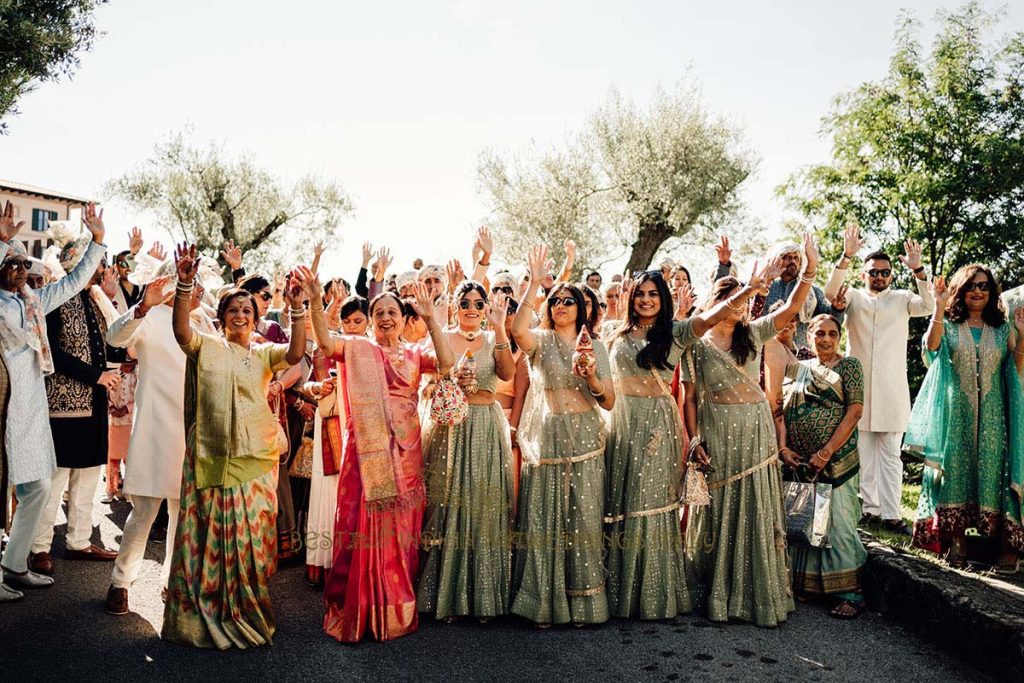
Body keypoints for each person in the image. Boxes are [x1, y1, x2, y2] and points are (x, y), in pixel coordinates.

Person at [161, 244, 307, 650]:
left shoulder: (263, 355)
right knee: (209, 538)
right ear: (221, 317)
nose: (240, 315)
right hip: (211, 458)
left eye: (247, 310)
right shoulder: (207, 346)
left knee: (251, 542)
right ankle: (205, 611)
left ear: (256, 320)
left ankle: (246, 609)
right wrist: (184, 285)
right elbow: (181, 332)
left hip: (255, 461)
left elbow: (296, 353)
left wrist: (298, 309)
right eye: (233, 310)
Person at [603, 269, 765, 620]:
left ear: (664, 300)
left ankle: (654, 596)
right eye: (640, 294)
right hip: (622, 423)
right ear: (631, 297)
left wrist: (747, 292)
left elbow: (710, 318)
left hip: (657, 426)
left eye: (653, 294)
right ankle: (621, 592)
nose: (646, 300)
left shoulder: (675, 333)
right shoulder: (614, 332)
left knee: (649, 503)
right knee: (623, 499)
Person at [303, 272, 455, 643]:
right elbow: (325, 343)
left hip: (406, 452)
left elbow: (448, 362)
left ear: (404, 319)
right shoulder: (359, 348)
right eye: (379, 313)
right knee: (362, 524)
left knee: (400, 530)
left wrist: (432, 319)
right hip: (365, 451)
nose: (386, 318)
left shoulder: (415, 354)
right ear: (371, 320)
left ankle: (394, 603)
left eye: (393, 312)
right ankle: (359, 604)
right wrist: (315, 302)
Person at [681, 232, 818, 628]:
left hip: (755, 427)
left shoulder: (754, 332)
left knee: (754, 504)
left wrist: (810, 268)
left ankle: (755, 592)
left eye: (744, 300)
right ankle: (718, 591)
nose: (741, 306)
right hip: (717, 430)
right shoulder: (696, 343)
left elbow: (792, 308)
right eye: (733, 299)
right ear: (717, 303)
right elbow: (690, 398)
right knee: (718, 505)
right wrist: (694, 439)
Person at [0, 200, 106, 597]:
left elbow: (74, 281)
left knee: (38, 489)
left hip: (30, 406)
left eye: (23, 264)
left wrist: (97, 240)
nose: (19, 270)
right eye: (11, 263)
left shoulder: (32, 301)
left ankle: (15, 564)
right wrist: (2, 241)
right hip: (3, 405)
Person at [510, 245, 615, 628]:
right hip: (549, 436)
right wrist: (535, 284)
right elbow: (516, 330)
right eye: (555, 300)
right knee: (544, 517)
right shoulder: (541, 340)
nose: (561, 306)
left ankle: (584, 604)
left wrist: (592, 378)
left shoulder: (595, 345)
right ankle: (543, 602)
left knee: (583, 516)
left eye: (569, 301)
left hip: (586, 436)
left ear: (582, 308)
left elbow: (609, 401)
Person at [103, 268, 215, 615]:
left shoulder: (202, 322)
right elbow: (114, 338)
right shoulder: (151, 317)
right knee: (144, 512)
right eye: (194, 285)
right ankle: (121, 583)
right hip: (154, 426)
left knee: (183, 514)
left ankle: (172, 581)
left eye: (200, 285)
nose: (200, 291)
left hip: (192, 428)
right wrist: (141, 307)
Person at [906, 266, 1024, 571]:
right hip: (954, 415)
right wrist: (939, 305)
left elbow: (1014, 368)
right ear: (960, 290)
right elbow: (931, 349)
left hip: (994, 418)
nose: (978, 291)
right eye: (971, 286)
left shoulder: (1001, 329)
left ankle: (1003, 546)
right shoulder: (948, 324)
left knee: (994, 474)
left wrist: (1022, 335)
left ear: (992, 292)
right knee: (954, 471)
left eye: (984, 286)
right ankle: (956, 541)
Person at [824, 226, 934, 533]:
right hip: (857, 391)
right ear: (864, 274)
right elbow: (830, 294)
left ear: (891, 275)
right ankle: (870, 510)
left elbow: (928, 306)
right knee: (863, 455)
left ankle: (893, 515)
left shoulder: (902, 298)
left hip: (891, 391)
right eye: (874, 272)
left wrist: (919, 270)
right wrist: (846, 255)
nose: (880, 277)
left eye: (885, 272)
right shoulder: (854, 297)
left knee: (890, 456)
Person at [418, 282, 515, 621]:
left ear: (486, 308)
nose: (471, 308)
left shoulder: (493, 338)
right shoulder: (442, 336)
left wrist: (500, 328)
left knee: (482, 504)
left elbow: (507, 373)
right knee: (448, 502)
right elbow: (427, 380)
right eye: (465, 303)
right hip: (451, 427)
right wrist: (451, 381)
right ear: (455, 307)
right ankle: (445, 596)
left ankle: (483, 597)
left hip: (485, 425)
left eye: (478, 303)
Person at [30, 233, 123, 575]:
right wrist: (96, 376)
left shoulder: (95, 299)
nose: (103, 268)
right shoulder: (56, 299)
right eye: (97, 262)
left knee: (87, 476)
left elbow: (109, 346)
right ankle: (38, 547)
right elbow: (52, 353)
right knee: (55, 480)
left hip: (94, 404)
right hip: (62, 406)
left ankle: (79, 541)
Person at [779, 314, 867, 618]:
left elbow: (855, 412)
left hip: (837, 460)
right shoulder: (797, 368)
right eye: (819, 333)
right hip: (802, 463)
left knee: (838, 525)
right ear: (808, 336)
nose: (826, 339)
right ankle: (810, 586)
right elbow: (784, 411)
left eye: (832, 334)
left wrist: (826, 452)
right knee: (806, 523)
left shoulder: (849, 366)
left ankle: (850, 593)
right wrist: (784, 448)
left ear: (839, 338)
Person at [303, 296, 368, 588]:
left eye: (358, 321)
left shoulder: (372, 349)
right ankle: (325, 563)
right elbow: (306, 384)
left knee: (354, 493)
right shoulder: (327, 347)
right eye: (347, 321)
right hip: (330, 420)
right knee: (329, 490)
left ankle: (354, 564)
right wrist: (319, 387)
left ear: (368, 322)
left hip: (361, 425)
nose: (352, 326)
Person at [714, 235, 843, 347]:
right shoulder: (758, 286)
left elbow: (830, 322)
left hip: (800, 356)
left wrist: (837, 309)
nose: (792, 261)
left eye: (796, 258)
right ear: (776, 260)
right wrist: (724, 265)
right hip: (765, 353)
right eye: (787, 257)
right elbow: (723, 298)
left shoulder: (811, 292)